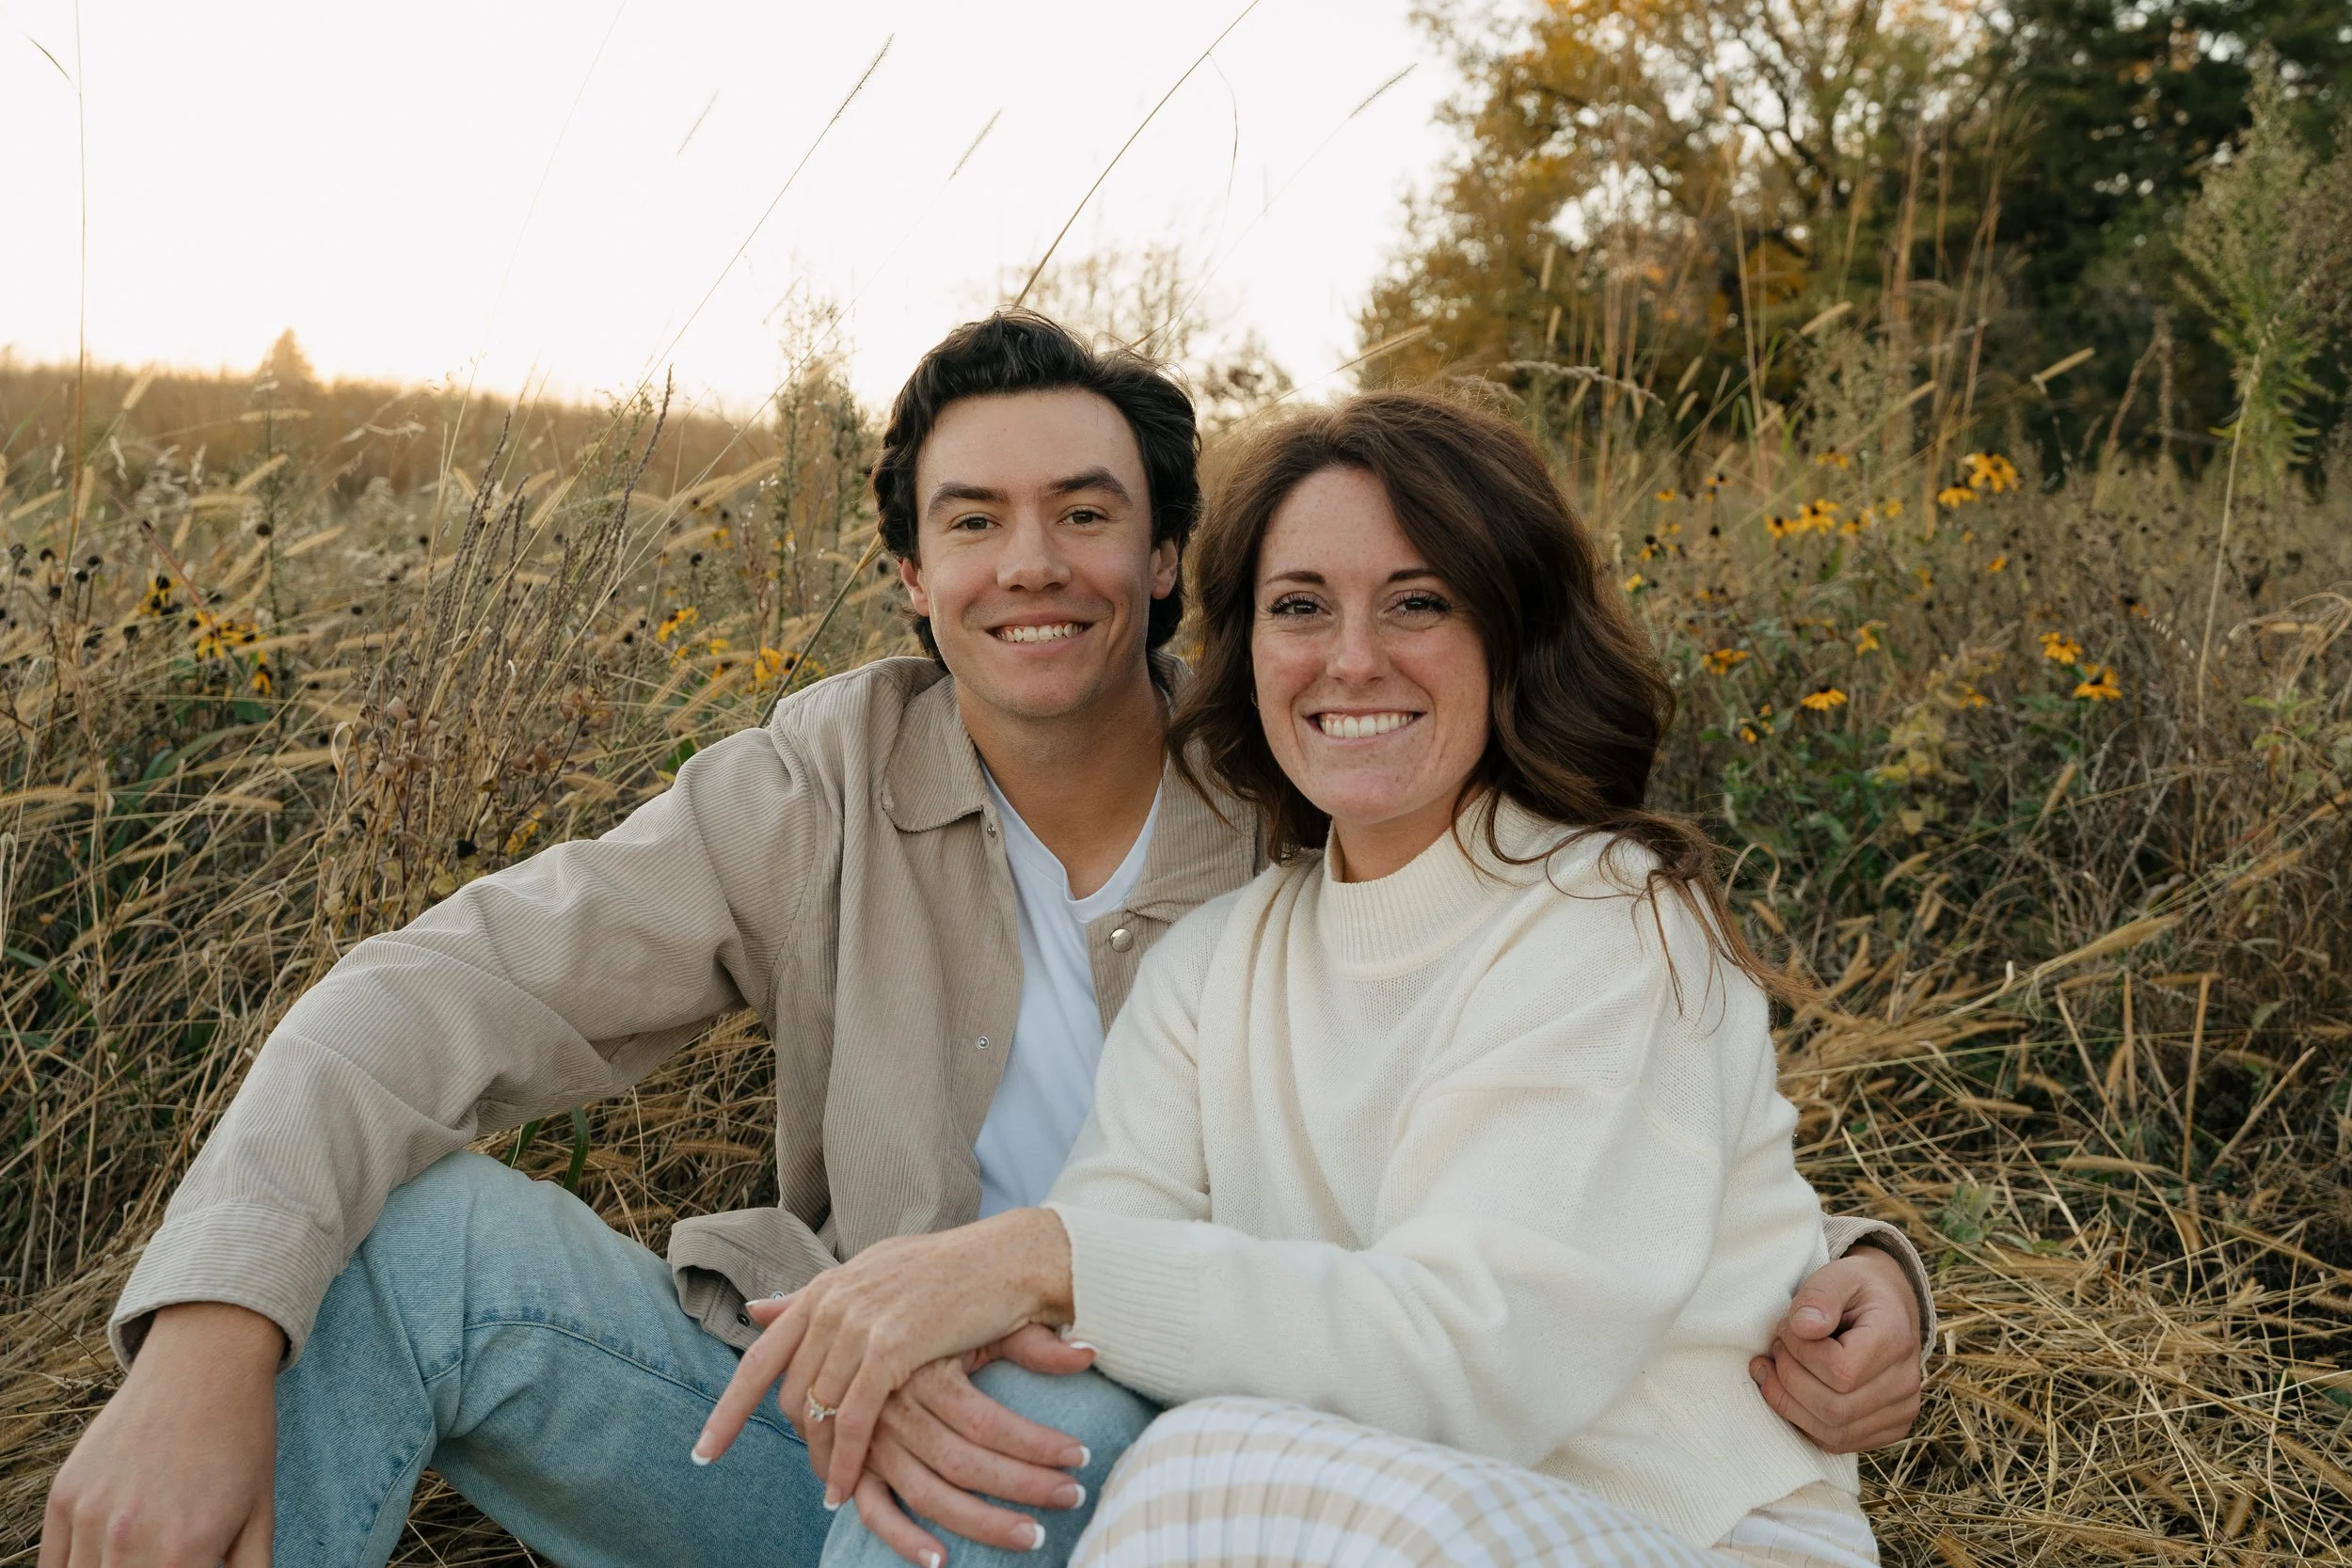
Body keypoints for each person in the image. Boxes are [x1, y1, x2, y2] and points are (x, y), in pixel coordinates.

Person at [41, 316, 1930, 1568]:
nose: (1029, 563)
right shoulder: (829, 784)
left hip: (1181, 1469)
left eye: (1083, 513)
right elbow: (442, 992)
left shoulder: (1299, 801)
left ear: (1164, 564)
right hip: (877, 1427)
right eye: (975, 520)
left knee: (1067, 1412)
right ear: (911, 572)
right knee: (422, 1245)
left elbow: (1567, 1119)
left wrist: (1858, 1260)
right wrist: (208, 1327)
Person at [700, 387, 1900, 1568]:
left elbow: (1470, 1360)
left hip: (1680, 1535)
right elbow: (1083, 1301)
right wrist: (966, 1334)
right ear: (1248, 647)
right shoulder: (1218, 961)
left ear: (1513, 631)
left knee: (1194, 1462)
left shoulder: (1609, 920)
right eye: (1300, 607)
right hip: (1347, 1519)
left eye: (1418, 602)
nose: (1352, 659)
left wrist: (1039, 1261)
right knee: (1040, 1419)